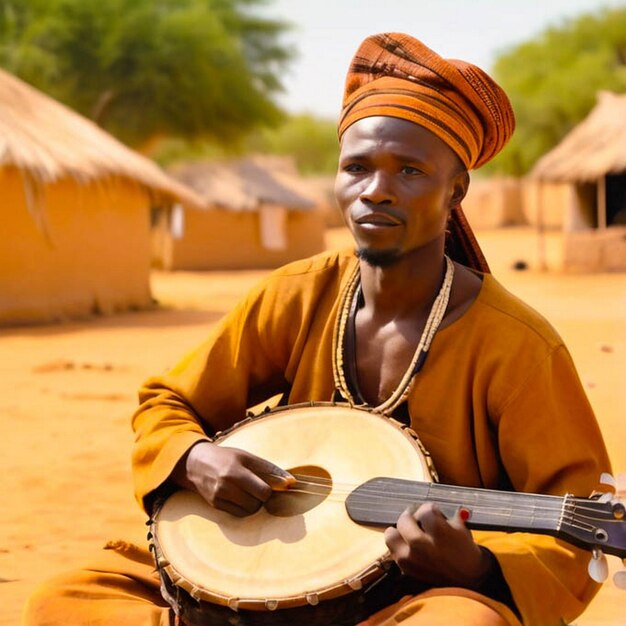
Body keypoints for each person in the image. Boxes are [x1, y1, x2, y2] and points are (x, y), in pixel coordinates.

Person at [24, 33, 611, 626]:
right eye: (356, 168)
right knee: (62, 601)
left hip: (407, 601)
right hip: (258, 565)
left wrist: (479, 567)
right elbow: (167, 402)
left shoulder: (517, 347)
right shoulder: (299, 294)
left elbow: (583, 515)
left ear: (455, 190)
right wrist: (195, 458)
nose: (375, 191)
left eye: (409, 170)